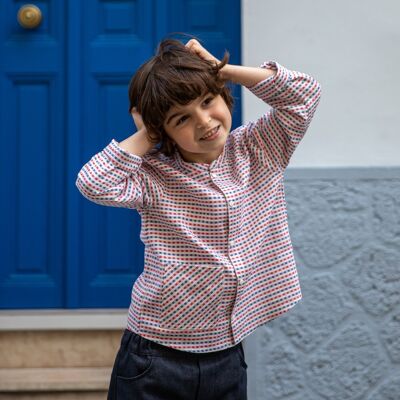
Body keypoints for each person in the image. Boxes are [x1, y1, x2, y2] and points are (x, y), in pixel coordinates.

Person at [76, 36, 322, 400]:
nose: (205, 121)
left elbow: (305, 94)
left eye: (208, 101)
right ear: (165, 132)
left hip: (226, 355)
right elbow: (93, 182)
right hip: (154, 356)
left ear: (223, 95)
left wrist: (224, 71)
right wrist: (147, 132)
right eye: (182, 118)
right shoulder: (153, 176)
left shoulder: (260, 148)